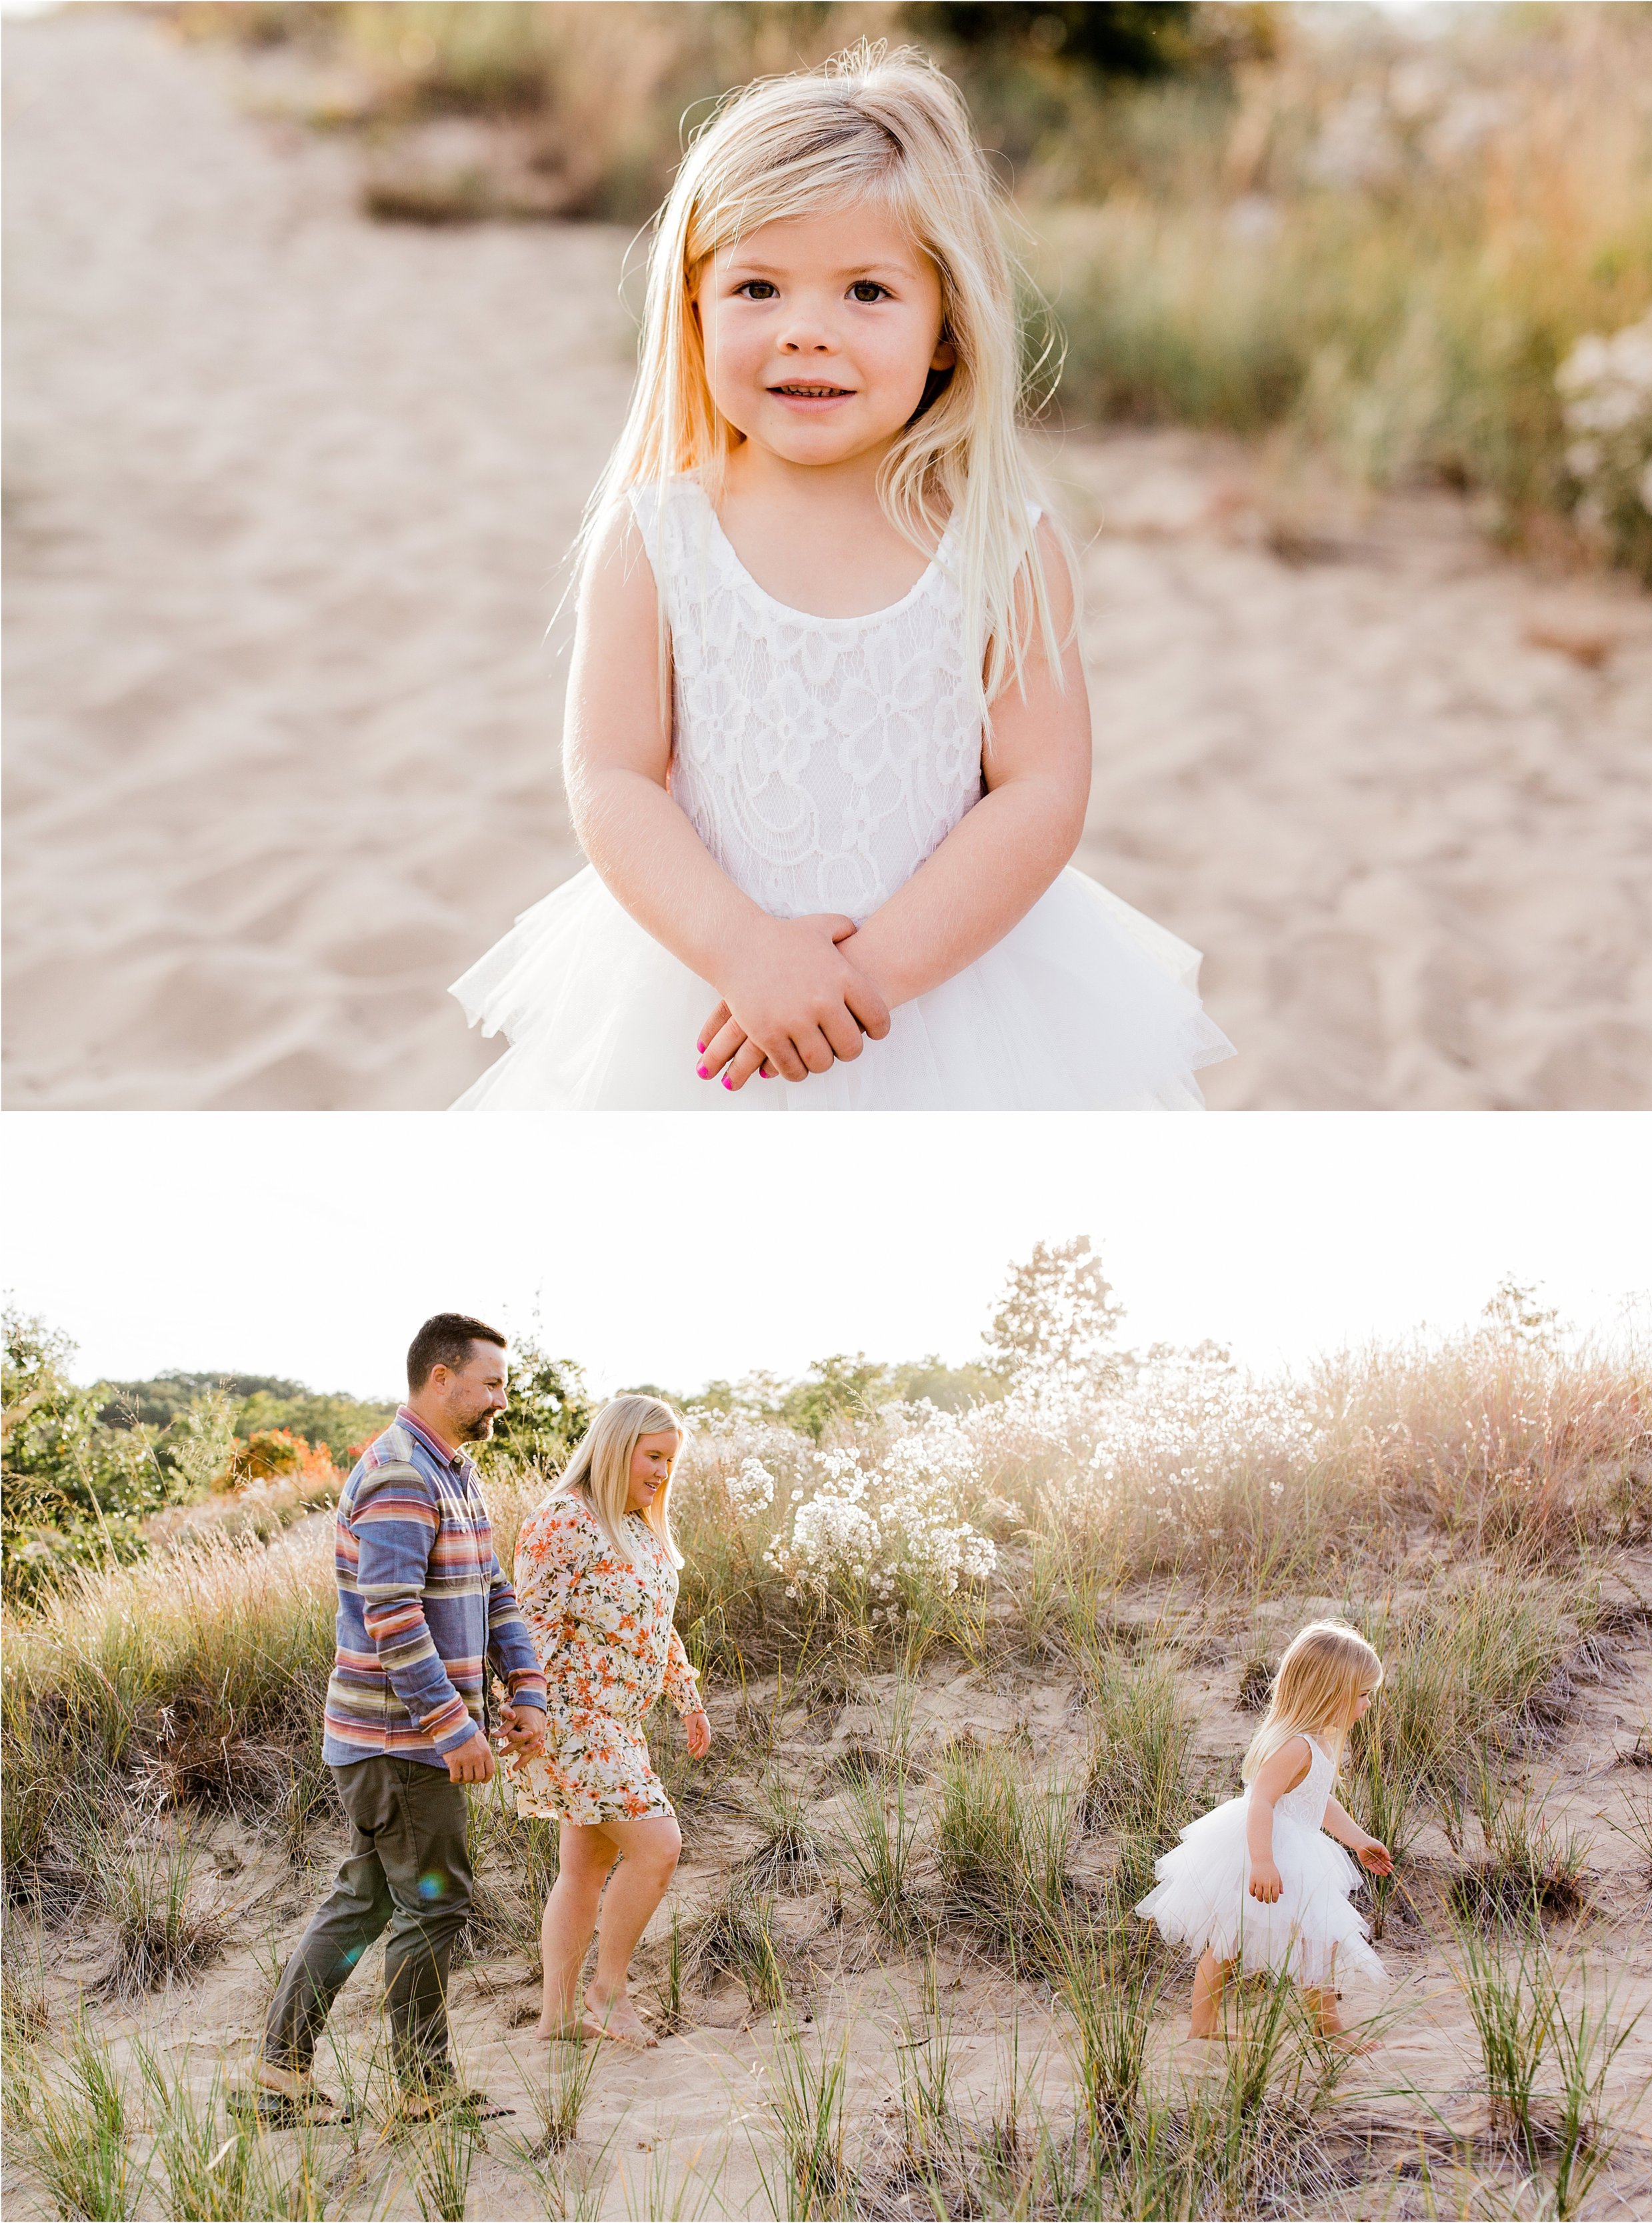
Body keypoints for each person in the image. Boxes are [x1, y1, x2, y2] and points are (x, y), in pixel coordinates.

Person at [449, 45, 1233, 1110]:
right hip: (708, 988)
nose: (806, 328)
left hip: (945, 990)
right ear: (693, 310)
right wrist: (746, 954)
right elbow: (613, 776)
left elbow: (1042, 790)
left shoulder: (1000, 542)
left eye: (868, 290)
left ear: (947, 329)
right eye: (758, 286)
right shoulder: (659, 536)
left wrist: (864, 979)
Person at [253, 1315, 548, 2122]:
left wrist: (525, 1689)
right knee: (434, 1903)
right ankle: (421, 2090)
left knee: (364, 1900)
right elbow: (391, 1618)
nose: (501, 1399)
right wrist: (455, 1728)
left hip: (402, 1739)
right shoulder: (398, 1475)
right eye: (491, 1384)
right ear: (441, 1376)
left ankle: (279, 2076)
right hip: (398, 1742)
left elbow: (495, 1593)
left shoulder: (452, 1471)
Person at [511, 1397, 713, 2047]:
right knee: (659, 1846)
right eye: (652, 1455)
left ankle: (558, 2017)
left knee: (584, 1870)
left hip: (620, 1724)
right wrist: (519, 1714)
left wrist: (688, 1695)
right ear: (614, 1446)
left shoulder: (642, 1527)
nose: (661, 1472)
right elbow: (523, 1626)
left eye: (669, 1460)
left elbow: (658, 1624)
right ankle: (608, 1991)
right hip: (572, 1723)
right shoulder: (563, 1522)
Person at [1135, 1621, 1393, 2049]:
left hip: (1295, 1847)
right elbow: (1262, 1802)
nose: (1368, 1704)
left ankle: (1322, 2026)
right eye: (1363, 1694)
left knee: (1309, 1940)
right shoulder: (1295, 1746)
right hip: (1267, 1850)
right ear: (1331, 1693)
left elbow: (1318, 1804)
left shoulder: (1319, 1742)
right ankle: (1210, 2025)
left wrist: (1360, 1840)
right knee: (1231, 1941)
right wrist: (1263, 1861)